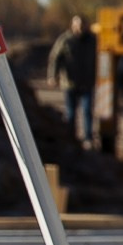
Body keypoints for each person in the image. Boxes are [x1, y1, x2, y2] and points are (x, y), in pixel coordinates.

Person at [47, 15, 98, 148]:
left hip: (87, 82)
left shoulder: (93, 40)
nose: (80, 28)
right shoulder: (65, 40)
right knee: (71, 112)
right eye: (77, 25)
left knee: (87, 111)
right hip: (69, 83)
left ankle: (88, 138)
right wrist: (53, 76)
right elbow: (55, 58)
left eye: (82, 25)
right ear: (72, 25)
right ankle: (71, 139)